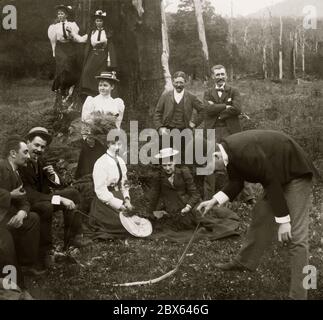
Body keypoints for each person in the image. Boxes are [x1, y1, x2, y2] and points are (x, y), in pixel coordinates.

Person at [197, 129, 319, 300]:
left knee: (297, 237)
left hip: (296, 173)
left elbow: (271, 182)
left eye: (208, 167)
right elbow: (236, 182)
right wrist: (214, 201)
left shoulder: (243, 153)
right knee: (261, 212)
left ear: (216, 156)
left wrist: (284, 221)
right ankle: (244, 262)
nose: (210, 171)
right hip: (277, 176)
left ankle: (299, 294)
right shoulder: (228, 152)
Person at [18, 127, 89, 268]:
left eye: (43, 147)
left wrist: (52, 175)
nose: (39, 149)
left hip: (42, 198)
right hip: (27, 203)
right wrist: (60, 199)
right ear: (28, 142)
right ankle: (46, 251)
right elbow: (31, 195)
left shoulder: (40, 160)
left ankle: (72, 242)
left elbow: (60, 185)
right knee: (46, 207)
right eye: (36, 145)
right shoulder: (21, 163)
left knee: (73, 193)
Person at [202, 64, 254, 202]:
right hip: (212, 131)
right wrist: (226, 106)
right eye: (217, 75)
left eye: (222, 74)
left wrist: (219, 114)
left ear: (226, 75)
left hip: (231, 131)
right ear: (213, 76)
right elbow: (207, 109)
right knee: (209, 162)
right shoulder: (207, 93)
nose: (220, 77)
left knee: (237, 161)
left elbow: (237, 109)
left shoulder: (234, 91)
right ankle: (208, 198)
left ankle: (248, 196)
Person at [0, 136, 42, 287]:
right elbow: (14, 195)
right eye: (25, 152)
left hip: (7, 217)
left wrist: (21, 213)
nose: (28, 156)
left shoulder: (16, 172)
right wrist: (10, 195)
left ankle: (26, 264)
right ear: (13, 153)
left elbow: (23, 200)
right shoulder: (1, 166)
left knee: (33, 218)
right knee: (6, 250)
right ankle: (13, 289)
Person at [74, 70, 124, 180]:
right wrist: (87, 137)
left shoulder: (117, 103)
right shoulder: (92, 101)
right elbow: (85, 120)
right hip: (94, 140)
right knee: (92, 166)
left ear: (112, 87)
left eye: (105, 85)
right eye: (100, 85)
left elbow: (117, 123)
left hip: (108, 139)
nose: (102, 88)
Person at [89, 134, 134, 239]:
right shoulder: (101, 162)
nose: (117, 147)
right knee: (121, 225)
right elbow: (100, 190)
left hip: (118, 195)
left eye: (119, 144)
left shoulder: (121, 161)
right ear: (108, 144)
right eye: (113, 144)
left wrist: (127, 200)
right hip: (105, 200)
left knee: (131, 220)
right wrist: (119, 205)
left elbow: (124, 182)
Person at [153, 71, 204, 160]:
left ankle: (183, 172)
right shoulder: (165, 96)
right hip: (168, 131)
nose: (178, 85)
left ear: (185, 82)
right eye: (176, 82)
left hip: (185, 130)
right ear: (173, 82)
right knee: (167, 157)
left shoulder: (191, 97)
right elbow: (157, 113)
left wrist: (194, 123)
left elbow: (203, 110)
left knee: (185, 157)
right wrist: (160, 127)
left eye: (181, 82)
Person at [69, 10, 117, 97]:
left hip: (103, 56)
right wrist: (72, 33)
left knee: (101, 75)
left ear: (104, 22)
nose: (99, 23)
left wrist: (109, 60)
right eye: (97, 21)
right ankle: (89, 93)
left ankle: (98, 93)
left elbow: (110, 48)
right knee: (86, 72)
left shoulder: (107, 33)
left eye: (101, 21)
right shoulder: (92, 32)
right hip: (93, 56)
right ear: (95, 22)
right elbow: (81, 39)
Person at [48, 4, 81, 99]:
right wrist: (54, 52)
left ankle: (68, 84)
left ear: (66, 15)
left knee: (70, 65)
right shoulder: (54, 27)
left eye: (62, 14)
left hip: (69, 46)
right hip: (60, 47)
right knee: (63, 64)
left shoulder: (72, 25)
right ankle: (61, 86)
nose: (60, 16)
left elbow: (75, 37)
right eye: (58, 14)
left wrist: (70, 33)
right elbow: (53, 40)